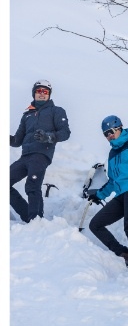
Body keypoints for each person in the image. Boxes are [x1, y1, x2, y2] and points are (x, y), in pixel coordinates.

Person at [87, 115, 128, 276]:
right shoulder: (112, 152)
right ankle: (124, 253)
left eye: (110, 131)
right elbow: (113, 180)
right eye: (105, 134)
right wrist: (99, 195)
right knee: (95, 224)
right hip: (120, 194)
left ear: (119, 128)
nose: (109, 136)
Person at [10, 79, 71, 222]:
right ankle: (28, 217)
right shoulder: (27, 115)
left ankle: (36, 219)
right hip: (25, 156)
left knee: (32, 185)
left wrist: (48, 137)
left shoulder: (56, 111)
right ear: (34, 94)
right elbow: (17, 140)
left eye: (45, 92)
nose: (42, 94)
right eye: (39, 91)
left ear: (49, 95)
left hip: (41, 155)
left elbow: (65, 133)